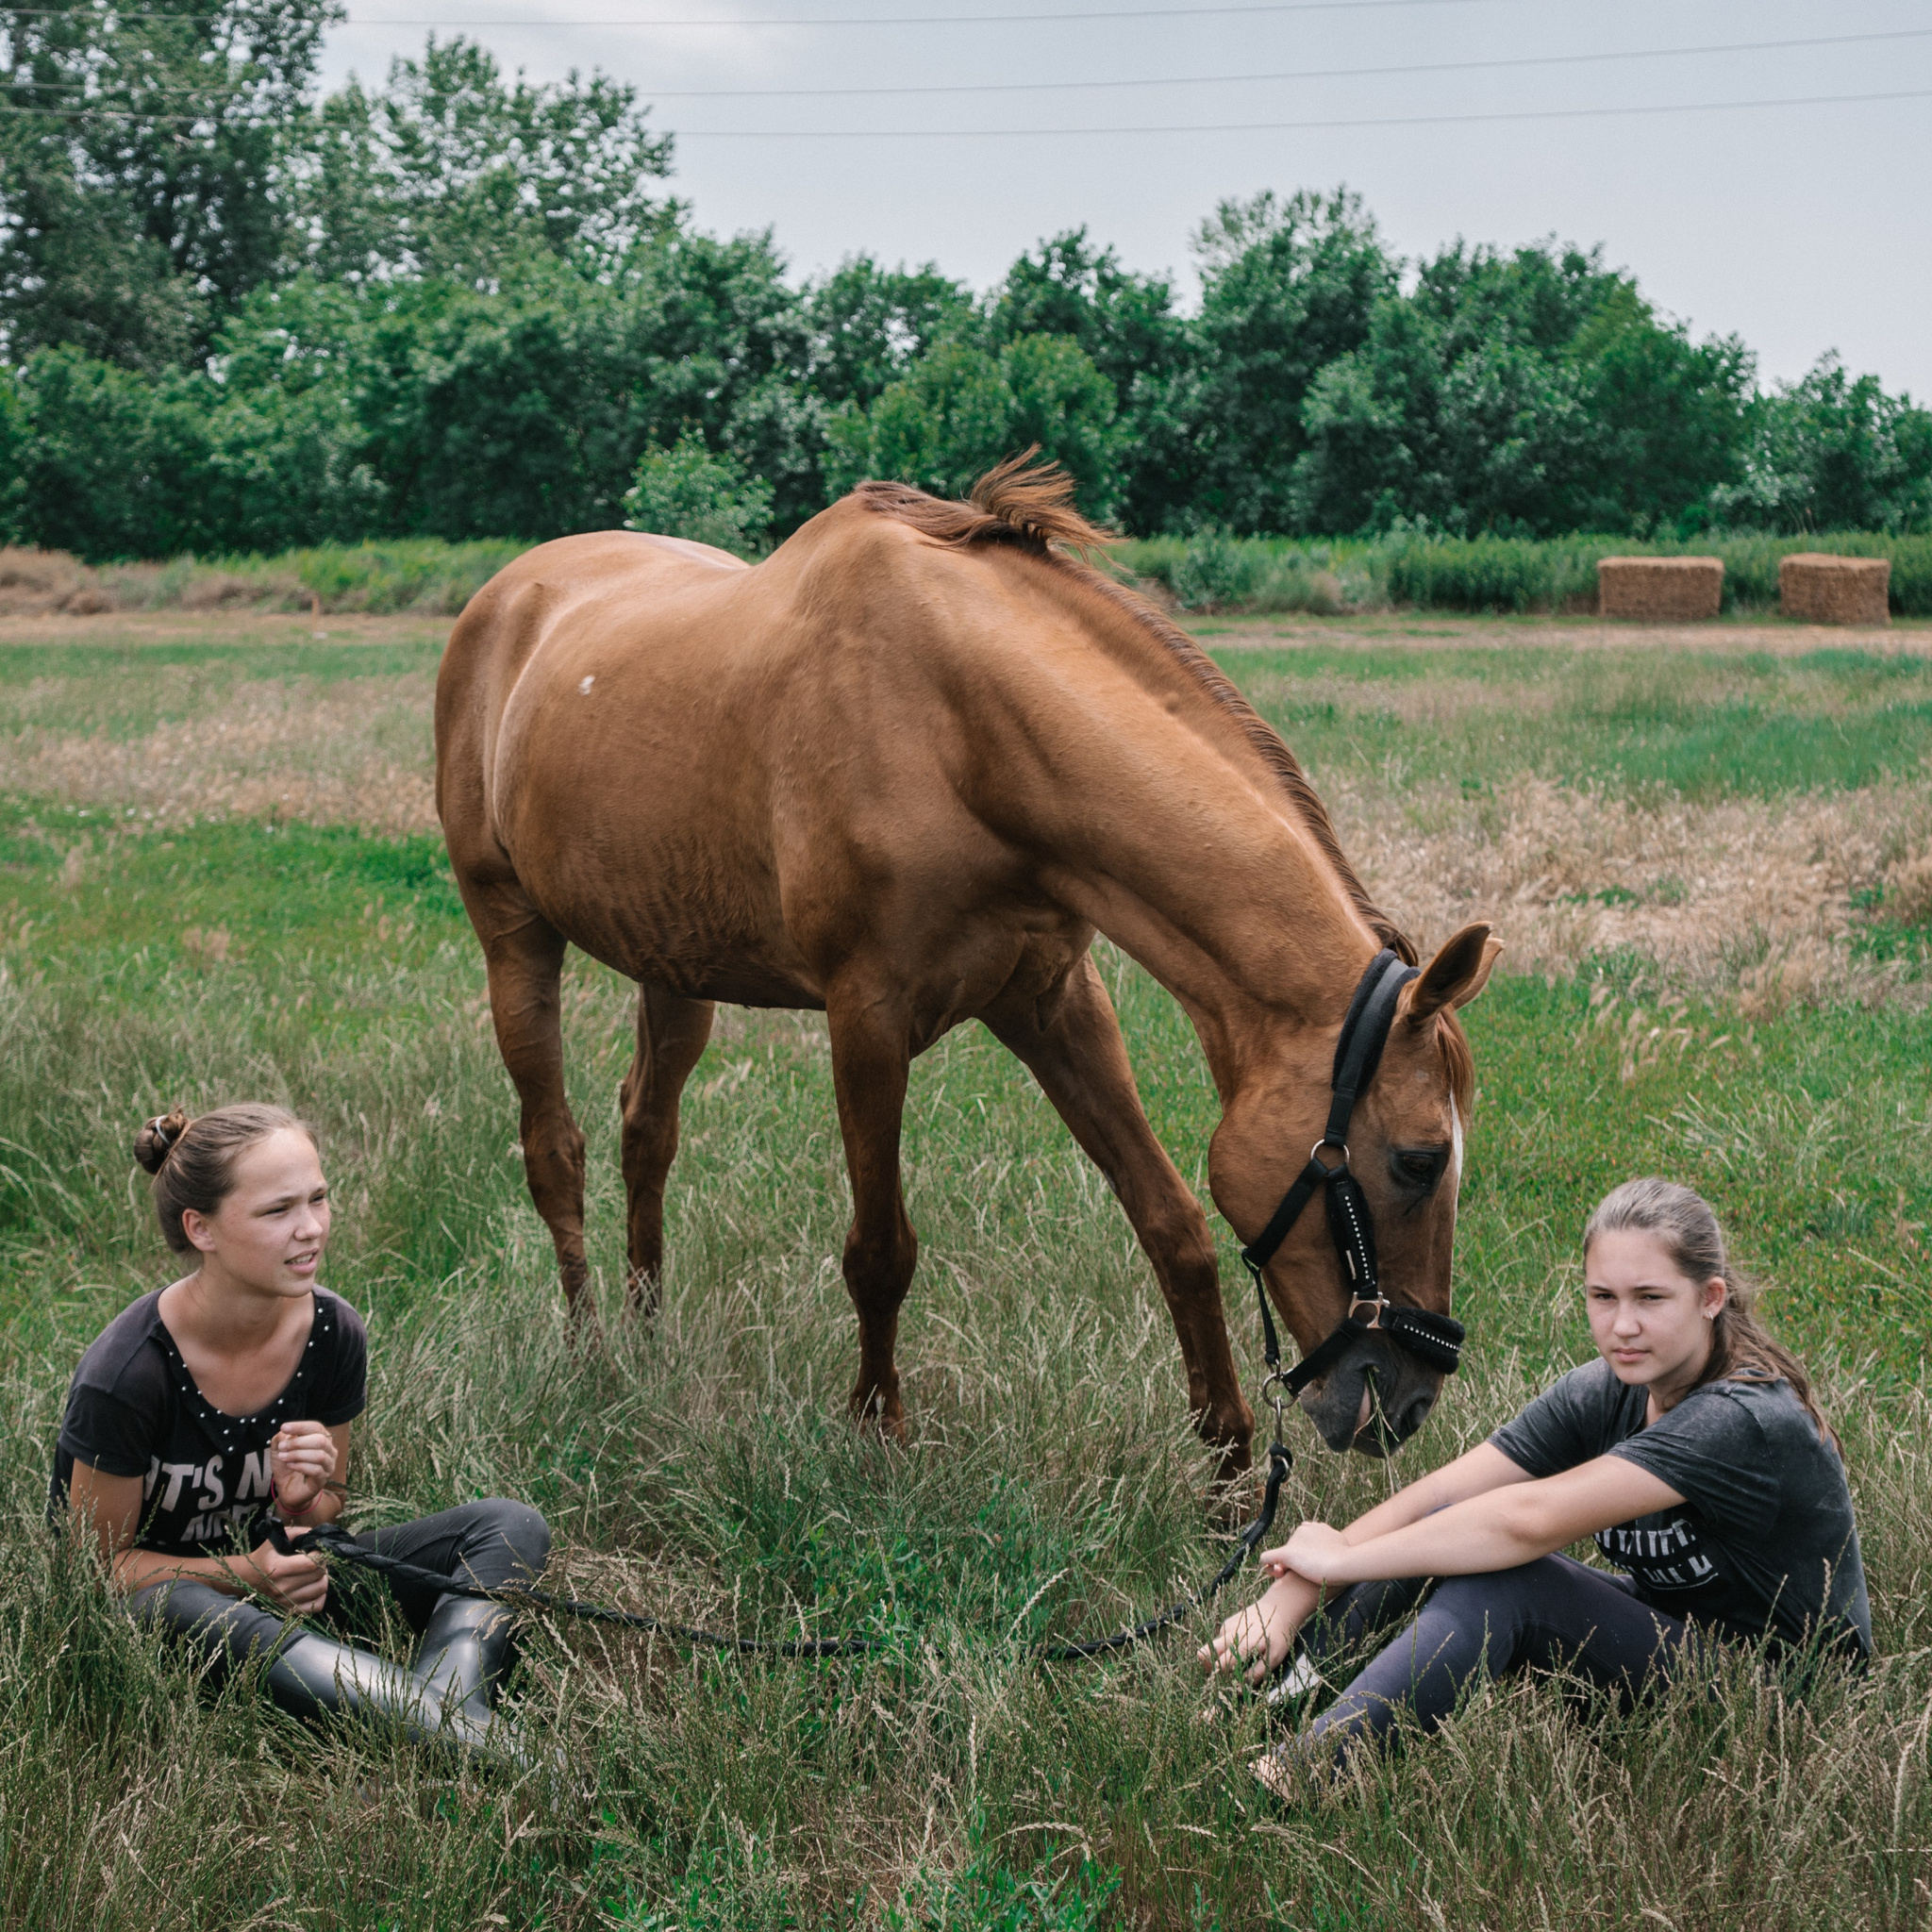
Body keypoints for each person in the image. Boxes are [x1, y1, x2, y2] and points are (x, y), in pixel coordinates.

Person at [1203, 1176, 1870, 1795]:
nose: (1623, 1325)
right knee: (1443, 1540)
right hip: (1675, 1631)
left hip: (1783, 1695)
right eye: (1603, 1298)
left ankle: (1304, 1778)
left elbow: (1525, 1522)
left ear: (1711, 1299)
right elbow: (1443, 1496)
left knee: (1506, 1578)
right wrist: (1291, 1597)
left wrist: (1342, 1559)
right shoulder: (1609, 1390)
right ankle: (1271, 1704)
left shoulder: (1741, 1419)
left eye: (1651, 1299)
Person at [49, 1103, 552, 1765]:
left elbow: (322, 1512)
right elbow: (96, 1571)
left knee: (510, 1526)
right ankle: (490, 1750)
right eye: (277, 1210)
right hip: (177, 1614)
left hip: (289, 1583)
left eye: (318, 1199)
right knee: (175, 1605)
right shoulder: (126, 1376)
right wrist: (247, 1575)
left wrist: (299, 1503)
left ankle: (437, 1732)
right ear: (201, 1228)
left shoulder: (331, 1332)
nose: (311, 1228)